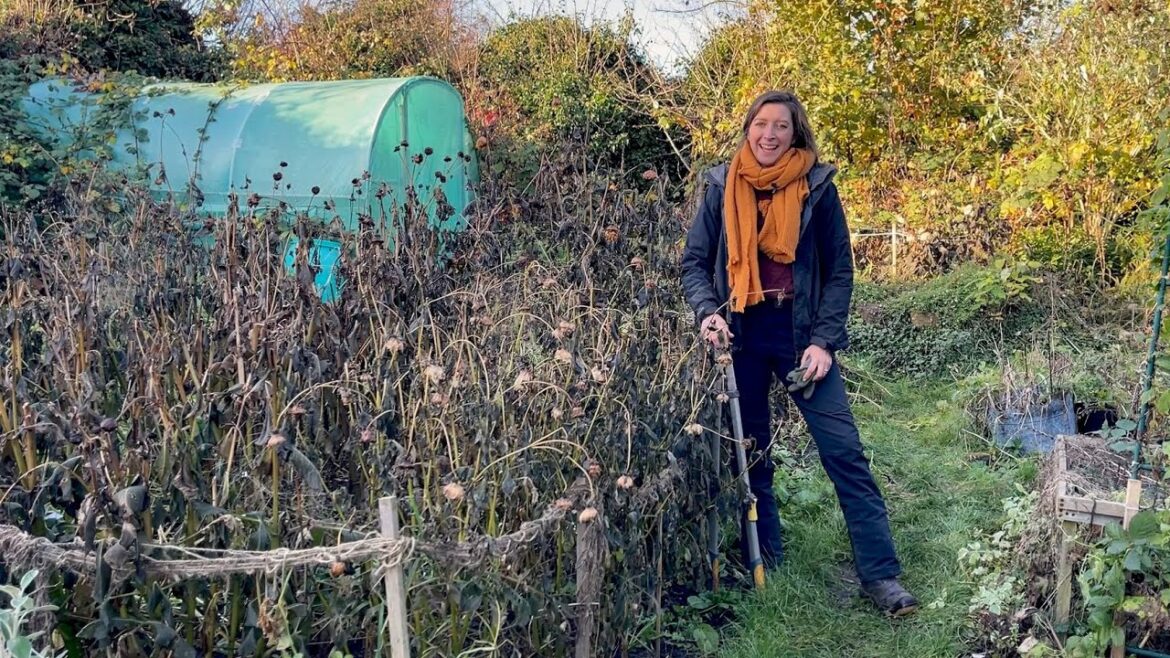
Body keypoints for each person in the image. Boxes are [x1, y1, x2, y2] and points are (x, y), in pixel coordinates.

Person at [680, 90, 918, 616]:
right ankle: (769, 563)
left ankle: (882, 577)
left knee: (843, 453)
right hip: (739, 334)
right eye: (760, 124)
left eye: (780, 126)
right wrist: (707, 313)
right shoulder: (721, 186)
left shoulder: (817, 187)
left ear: (796, 133)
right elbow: (694, 264)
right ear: (747, 129)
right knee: (752, 453)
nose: (769, 134)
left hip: (800, 332)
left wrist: (823, 341)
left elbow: (839, 272)